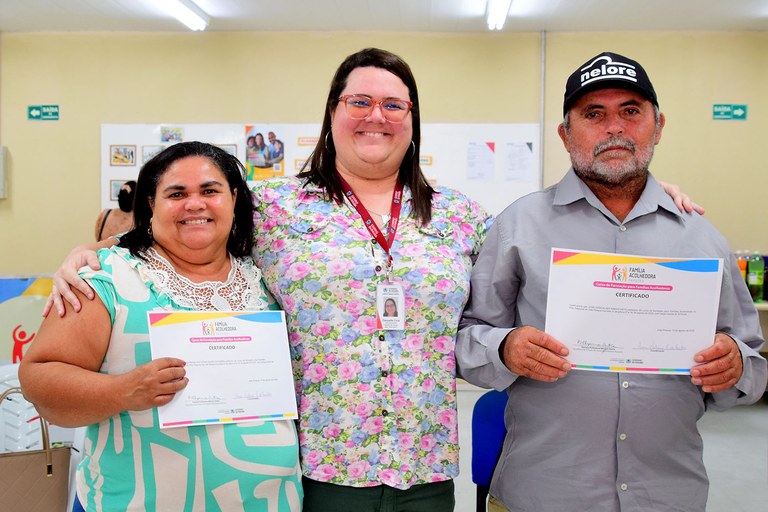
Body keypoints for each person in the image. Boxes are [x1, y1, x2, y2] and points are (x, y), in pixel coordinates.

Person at [44, 48, 702, 512]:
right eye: (359, 100)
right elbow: (176, 218)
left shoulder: (460, 217)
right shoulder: (274, 207)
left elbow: (546, 236)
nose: (376, 116)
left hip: (425, 469)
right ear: (332, 114)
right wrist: (89, 248)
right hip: (318, 469)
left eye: (394, 104)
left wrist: (632, 192)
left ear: (412, 120)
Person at [455, 51, 767, 512]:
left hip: (667, 496)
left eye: (631, 111)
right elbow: (464, 342)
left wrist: (735, 365)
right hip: (543, 495)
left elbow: (754, 365)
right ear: (565, 134)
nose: (614, 127)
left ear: (658, 126)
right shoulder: (517, 226)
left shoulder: (703, 238)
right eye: (594, 114)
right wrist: (505, 348)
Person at [20, 142, 302, 511]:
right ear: (152, 205)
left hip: (271, 502)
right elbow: (38, 378)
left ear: (233, 199)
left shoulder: (268, 278)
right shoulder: (106, 277)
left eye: (209, 190)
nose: (195, 204)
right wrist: (123, 391)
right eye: (176, 193)